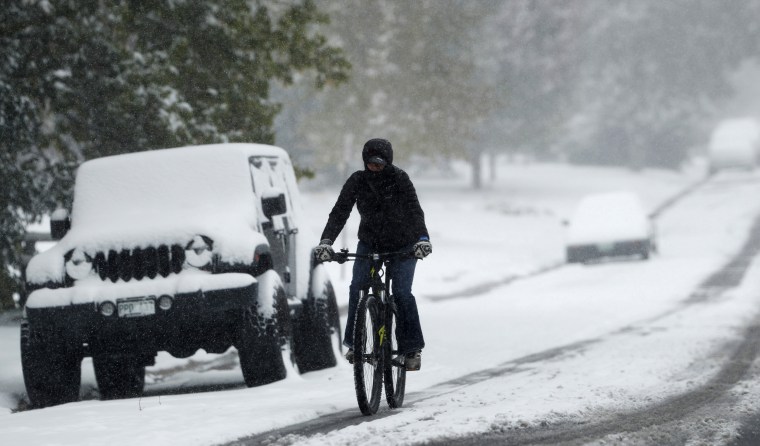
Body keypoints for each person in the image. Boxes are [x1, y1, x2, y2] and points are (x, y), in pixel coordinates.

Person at [313, 138, 432, 371]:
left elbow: (415, 211)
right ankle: (355, 344)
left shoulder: (400, 179)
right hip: (370, 243)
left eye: (379, 163)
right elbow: (340, 212)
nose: (375, 168)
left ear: (388, 162)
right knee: (358, 286)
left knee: (400, 293)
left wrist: (423, 239)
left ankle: (411, 349)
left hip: (403, 245)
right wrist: (326, 241)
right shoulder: (357, 180)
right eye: (371, 163)